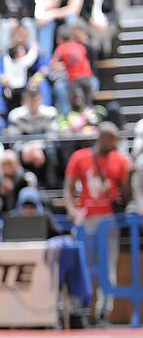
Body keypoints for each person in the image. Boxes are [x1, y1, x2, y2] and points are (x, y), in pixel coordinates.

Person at [64, 123, 131, 322]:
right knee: (82, 265)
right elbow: (68, 188)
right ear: (102, 138)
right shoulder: (80, 157)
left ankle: (104, 311)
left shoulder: (120, 160)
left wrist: (130, 175)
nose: (115, 143)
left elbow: (126, 196)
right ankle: (81, 310)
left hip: (109, 221)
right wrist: (72, 210)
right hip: (86, 219)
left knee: (108, 266)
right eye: (112, 139)